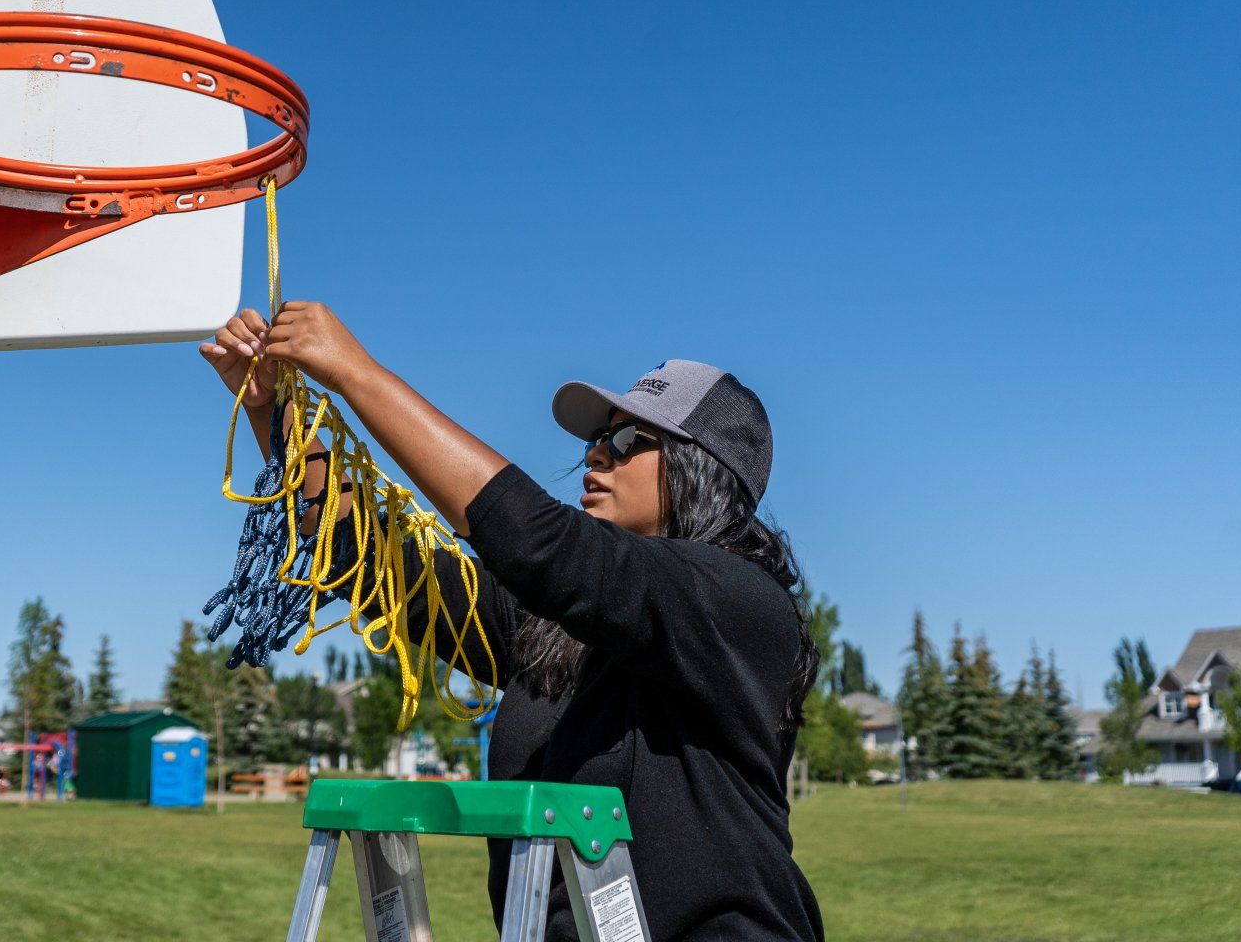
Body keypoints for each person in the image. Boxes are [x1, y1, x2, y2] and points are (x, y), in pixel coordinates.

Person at [203, 303, 824, 942]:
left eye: (628, 441)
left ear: (705, 470)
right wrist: (273, 410)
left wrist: (357, 375)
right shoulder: (559, 626)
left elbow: (539, 542)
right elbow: (373, 555)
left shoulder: (737, 602)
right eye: (597, 438)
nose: (596, 453)